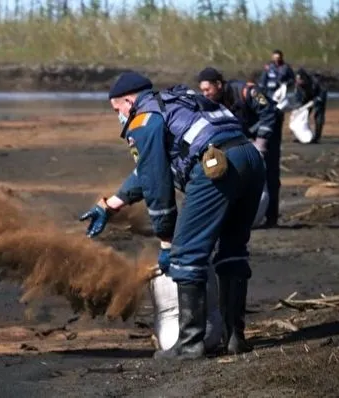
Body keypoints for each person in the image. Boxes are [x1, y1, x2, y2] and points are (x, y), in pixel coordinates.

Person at [79, 71, 266, 360]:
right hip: (250, 159)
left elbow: (156, 182)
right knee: (232, 250)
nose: (119, 116)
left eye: (117, 110)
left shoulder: (144, 118)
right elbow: (149, 169)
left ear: (129, 101)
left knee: (186, 254)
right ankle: (234, 338)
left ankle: (189, 344)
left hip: (216, 167)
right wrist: (110, 204)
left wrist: (167, 240)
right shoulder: (179, 99)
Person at [198, 67, 283, 228]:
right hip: (246, 129)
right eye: (202, 91)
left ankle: (271, 218)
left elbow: (269, 113)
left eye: (207, 89)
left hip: (269, 127)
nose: (205, 94)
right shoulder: (214, 102)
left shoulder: (247, 91)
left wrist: (262, 142)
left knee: (269, 171)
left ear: (218, 84)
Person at [295, 68, 327, 144]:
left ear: (305, 78)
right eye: (297, 80)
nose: (298, 82)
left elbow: (323, 93)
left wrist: (315, 101)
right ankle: (301, 135)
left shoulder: (316, 81)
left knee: (318, 116)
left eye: (300, 80)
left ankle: (317, 137)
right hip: (306, 98)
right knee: (301, 115)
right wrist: (299, 107)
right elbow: (298, 98)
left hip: (318, 96)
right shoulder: (298, 85)